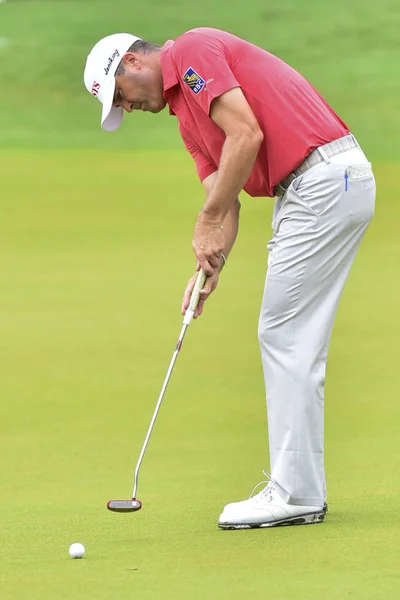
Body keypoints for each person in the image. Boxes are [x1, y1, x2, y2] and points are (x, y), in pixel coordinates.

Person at [83, 28, 375, 529]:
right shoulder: (186, 121)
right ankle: (299, 488)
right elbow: (224, 191)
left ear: (131, 62)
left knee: (284, 335)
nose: (126, 108)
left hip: (320, 180)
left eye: (120, 96)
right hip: (318, 187)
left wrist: (205, 221)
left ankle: (296, 492)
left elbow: (247, 135)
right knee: (290, 336)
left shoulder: (192, 52)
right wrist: (210, 263)